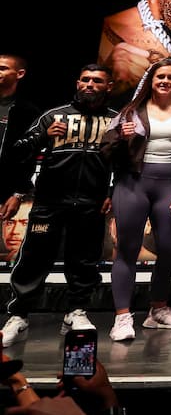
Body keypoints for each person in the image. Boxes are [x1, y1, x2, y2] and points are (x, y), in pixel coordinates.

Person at [1, 64, 118, 347]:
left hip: (91, 202)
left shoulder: (116, 121)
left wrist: (112, 192)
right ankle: (19, 316)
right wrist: (43, 136)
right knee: (34, 259)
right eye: (85, 80)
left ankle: (75, 312)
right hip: (50, 201)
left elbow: (125, 162)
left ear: (109, 87)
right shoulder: (53, 115)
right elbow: (17, 151)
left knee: (84, 261)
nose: (90, 85)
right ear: (77, 83)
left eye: (97, 81)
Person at [100, 58, 171, 341]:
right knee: (127, 249)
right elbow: (106, 150)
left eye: (170, 77)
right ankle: (122, 317)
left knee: (168, 249)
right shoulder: (131, 111)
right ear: (151, 82)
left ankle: (158, 310)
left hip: (170, 185)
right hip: (133, 184)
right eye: (160, 77)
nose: (165, 81)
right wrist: (120, 135)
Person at [0, 54, 40, 225]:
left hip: (2, 191)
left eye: (3, 68)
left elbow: (29, 156)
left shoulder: (28, 111)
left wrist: (18, 193)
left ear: (20, 74)